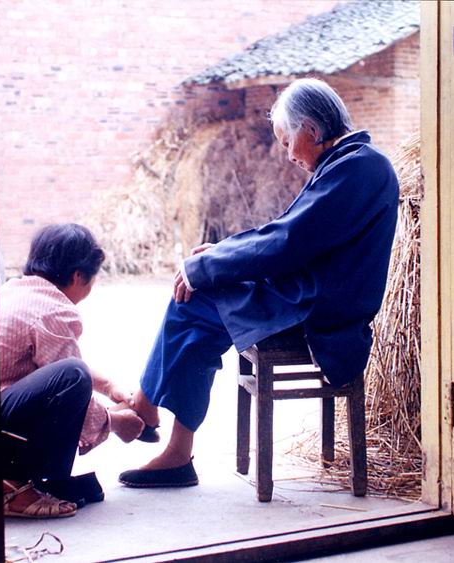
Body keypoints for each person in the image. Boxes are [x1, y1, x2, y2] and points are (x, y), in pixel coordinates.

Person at [119, 78, 400, 488]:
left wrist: (208, 266)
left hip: (322, 308)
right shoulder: (349, 164)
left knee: (194, 303)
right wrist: (215, 255)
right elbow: (285, 232)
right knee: (197, 306)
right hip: (311, 292)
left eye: (287, 141)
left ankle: (150, 414)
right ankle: (162, 430)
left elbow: (288, 241)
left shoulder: (359, 168)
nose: (288, 155)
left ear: (312, 129)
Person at [0, 223, 146, 518]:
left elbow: (50, 365)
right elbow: (68, 377)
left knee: (73, 375)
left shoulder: (13, 290)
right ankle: (14, 489)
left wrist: (107, 385)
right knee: (74, 377)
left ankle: (22, 483)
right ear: (78, 276)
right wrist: (116, 424)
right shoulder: (55, 310)